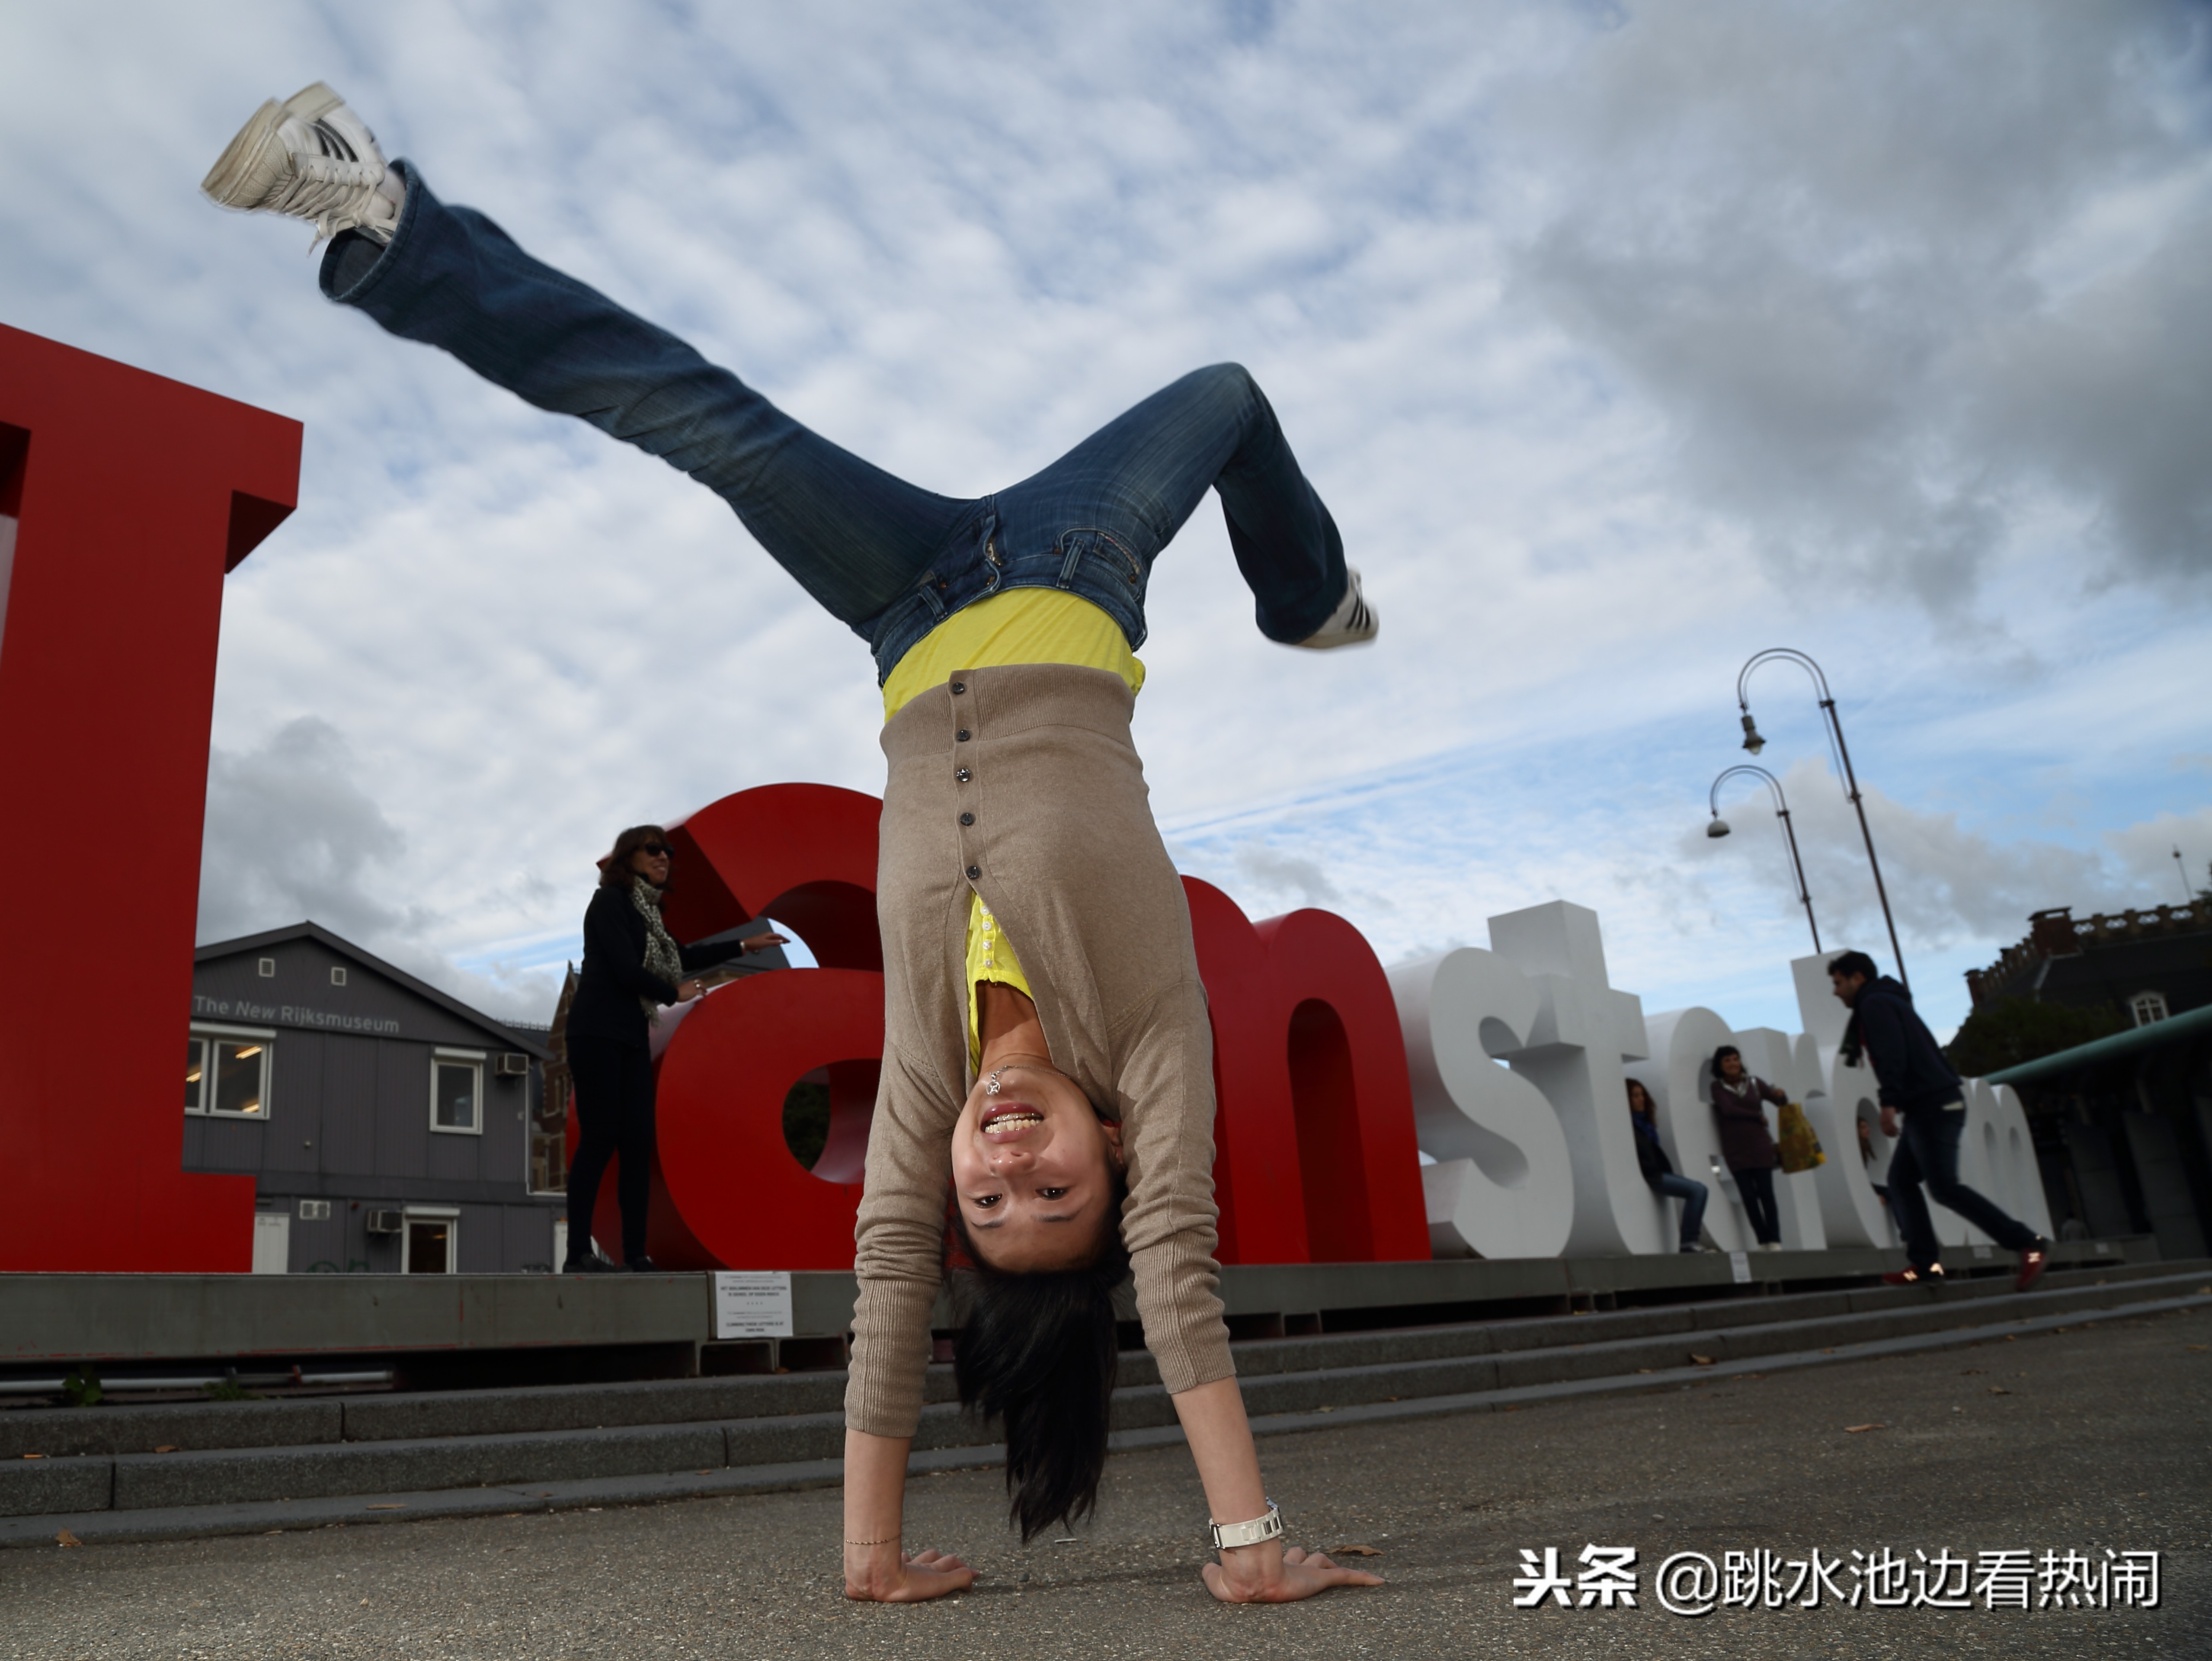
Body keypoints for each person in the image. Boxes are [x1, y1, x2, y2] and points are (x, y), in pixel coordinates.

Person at [204, 86, 1382, 1606]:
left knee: (706, 423)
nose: (1005, 1165)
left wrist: (870, 1557)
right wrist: (1247, 1546)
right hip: (1080, 560)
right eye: (1052, 1193)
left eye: (990, 1203)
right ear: (1118, 1160)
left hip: (905, 603)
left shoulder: (929, 1088)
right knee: (1227, 389)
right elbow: (1181, 1274)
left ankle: (378, 220)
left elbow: (890, 1281)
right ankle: (1310, 600)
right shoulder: (1151, 1040)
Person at [564, 827, 787, 1273]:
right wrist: (673, 993)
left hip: (629, 1035)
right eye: (653, 850)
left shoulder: (650, 915)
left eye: (667, 852)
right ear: (628, 858)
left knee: (636, 1141)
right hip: (596, 1032)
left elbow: (679, 954)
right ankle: (577, 1254)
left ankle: (635, 1254)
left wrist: (744, 945)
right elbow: (626, 970)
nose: (664, 857)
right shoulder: (609, 903)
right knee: (600, 1138)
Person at [1831, 951, 2049, 1291]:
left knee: (1944, 1187)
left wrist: (1888, 1103)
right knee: (1902, 1182)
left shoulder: (1874, 1005)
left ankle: (2027, 1244)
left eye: (1839, 982)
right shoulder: (1888, 1000)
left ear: (1857, 978)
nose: (1836, 991)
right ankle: (1924, 1264)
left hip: (1932, 1104)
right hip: (1930, 1104)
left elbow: (1893, 1053)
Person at [1707, 1045, 1786, 1250]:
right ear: (1720, 1065)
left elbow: (1779, 1102)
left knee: (1767, 1194)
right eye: (1727, 1061)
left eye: (1735, 1059)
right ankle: (1762, 1240)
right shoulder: (1717, 1088)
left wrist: (1781, 1095)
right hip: (1736, 1151)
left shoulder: (1754, 1083)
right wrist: (1757, 1117)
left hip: (1760, 1146)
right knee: (1749, 1197)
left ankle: (1775, 1240)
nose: (1733, 1064)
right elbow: (1728, 1109)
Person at [1626, 1077, 1709, 1252]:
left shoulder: (1646, 1125)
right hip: (1651, 1175)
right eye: (1635, 1096)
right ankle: (1688, 1241)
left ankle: (1689, 1240)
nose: (1641, 1099)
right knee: (1698, 1191)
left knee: (1698, 1190)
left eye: (1642, 1095)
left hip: (1658, 1173)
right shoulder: (1629, 1127)